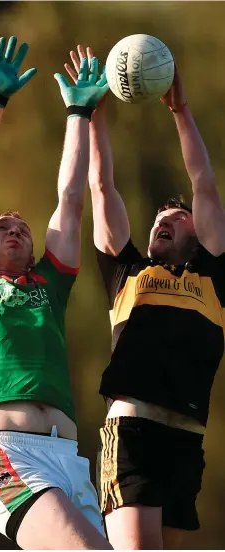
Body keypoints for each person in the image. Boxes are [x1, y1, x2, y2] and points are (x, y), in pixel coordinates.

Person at [0, 36, 112, 550]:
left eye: (22, 227)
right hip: (9, 454)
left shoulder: (50, 282)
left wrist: (78, 114)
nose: (16, 229)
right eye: (2, 227)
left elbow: (70, 197)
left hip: (70, 460)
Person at [65, 46, 225, 549]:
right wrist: (94, 117)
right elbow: (101, 186)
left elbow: (204, 185)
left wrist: (181, 111)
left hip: (186, 437)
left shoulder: (213, 277)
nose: (163, 219)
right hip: (133, 431)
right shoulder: (128, 271)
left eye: (175, 218)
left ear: (198, 232)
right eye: (158, 217)